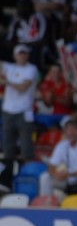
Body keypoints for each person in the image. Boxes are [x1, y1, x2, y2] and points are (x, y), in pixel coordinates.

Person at [1, 45, 38, 189]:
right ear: (15, 55)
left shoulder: (31, 69)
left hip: (24, 110)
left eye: (25, 54)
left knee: (26, 145)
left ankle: (28, 176)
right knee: (7, 147)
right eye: (20, 54)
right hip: (8, 110)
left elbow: (24, 87)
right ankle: (7, 180)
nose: (22, 56)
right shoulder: (9, 67)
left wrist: (6, 82)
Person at [40, 119, 77, 204]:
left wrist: (70, 174)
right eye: (69, 130)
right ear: (65, 132)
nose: (71, 132)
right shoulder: (62, 145)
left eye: (74, 129)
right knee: (45, 177)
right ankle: (45, 206)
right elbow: (51, 166)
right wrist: (55, 174)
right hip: (66, 179)